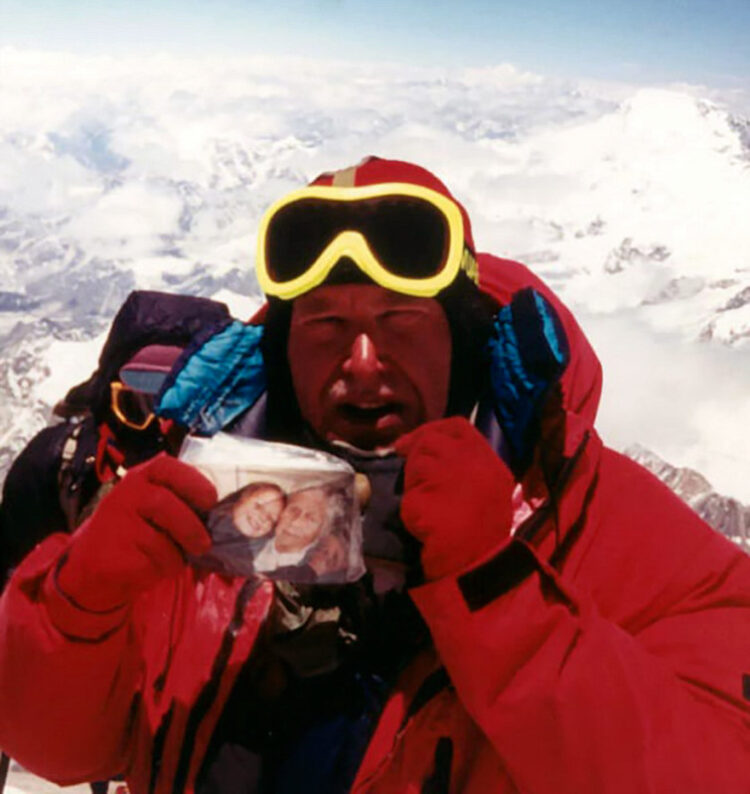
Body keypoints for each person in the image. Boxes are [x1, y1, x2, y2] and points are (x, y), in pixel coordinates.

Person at [1, 157, 749, 794]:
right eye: (324, 325)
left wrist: (500, 593)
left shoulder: (606, 527)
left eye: (401, 321)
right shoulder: (203, 506)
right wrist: (75, 611)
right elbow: (60, 748)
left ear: (463, 340)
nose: (362, 365)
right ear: (282, 353)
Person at [200, 482, 286, 577]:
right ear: (242, 498)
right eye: (259, 506)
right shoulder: (199, 515)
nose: (263, 518)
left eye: (271, 518)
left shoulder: (244, 569)